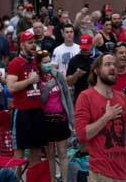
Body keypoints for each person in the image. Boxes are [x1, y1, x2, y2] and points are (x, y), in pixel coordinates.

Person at [75, 54, 126, 182]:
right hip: (101, 173)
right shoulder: (85, 97)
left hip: (124, 174)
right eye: (107, 64)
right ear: (96, 70)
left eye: (114, 65)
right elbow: (81, 135)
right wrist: (106, 117)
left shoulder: (121, 97)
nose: (112, 67)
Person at [6, 30, 47, 166]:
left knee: (36, 152)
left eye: (35, 42)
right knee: (19, 154)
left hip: (37, 111)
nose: (33, 45)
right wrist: (29, 81)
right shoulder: (15, 63)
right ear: (22, 45)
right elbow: (11, 87)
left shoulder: (36, 62)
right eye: (30, 43)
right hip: (22, 112)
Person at [38, 50, 74, 182]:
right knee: (50, 155)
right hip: (47, 121)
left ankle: (64, 180)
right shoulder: (37, 78)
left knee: (63, 153)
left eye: (49, 62)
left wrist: (72, 118)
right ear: (39, 64)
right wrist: (47, 88)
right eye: (45, 62)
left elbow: (67, 96)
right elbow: (40, 101)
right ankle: (52, 179)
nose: (48, 65)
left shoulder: (57, 75)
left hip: (61, 118)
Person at [66, 34, 94, 102]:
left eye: (87, 48)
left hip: (96, 94)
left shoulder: (98, 58)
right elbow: (69, 83)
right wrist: (76, 74)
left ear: (91, 45)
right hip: (80, 96)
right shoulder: (74, 60)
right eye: (83, 48)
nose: (85, 50)